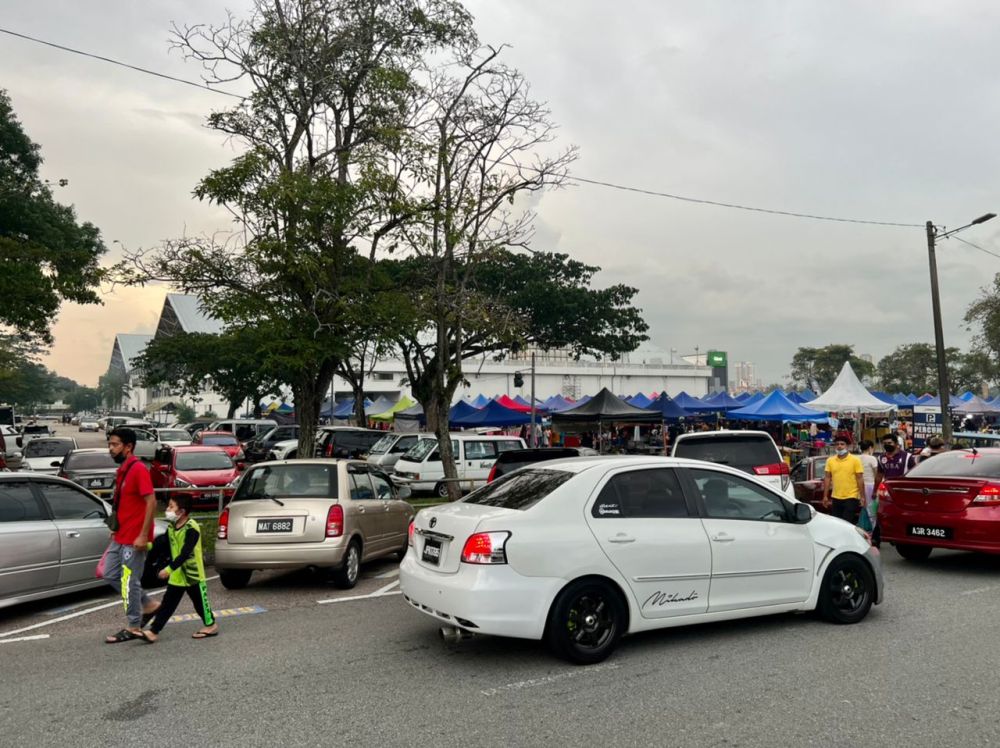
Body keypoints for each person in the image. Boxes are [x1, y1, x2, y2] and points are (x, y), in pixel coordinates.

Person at [103, 427, 160, 644]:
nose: (111, 449)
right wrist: (115, 527)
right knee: (109, 573)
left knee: (129, 581)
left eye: (115, 444)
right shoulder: (123, 470)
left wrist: (143, 535)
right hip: (121, 535)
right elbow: (124, 503)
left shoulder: (138, 469)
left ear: (129, 447)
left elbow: (151, 501)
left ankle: (134, 625)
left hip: (135, 538)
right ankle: (148, 604)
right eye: (109, 444)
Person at [142, 495, 217, 643]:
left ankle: (211, 625)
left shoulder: (191, 527)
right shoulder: (172, 527)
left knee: (200, 603)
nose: (167, 510)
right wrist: (147, 546)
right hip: (177, 575)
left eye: (171, 507)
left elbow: (185, 553)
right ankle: (154, 631)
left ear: (181, 511)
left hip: (192, 574)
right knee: (168, 603)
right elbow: (162, 544)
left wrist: (168, 570)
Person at [822, 437, 865, 524]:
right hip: (836, 497)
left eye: (842, 444)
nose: (839, 446)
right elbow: (827, 478)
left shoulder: (855, 460)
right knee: (836, 523)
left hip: (851, 496)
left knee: (847, 522)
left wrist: (862, 496)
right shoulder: (830, 460)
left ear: (847, 446)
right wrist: (825, 496)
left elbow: (859, 478)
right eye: (837, 444)